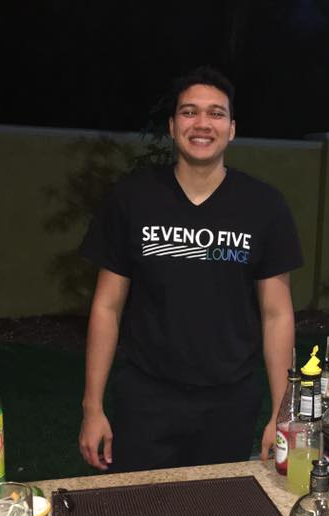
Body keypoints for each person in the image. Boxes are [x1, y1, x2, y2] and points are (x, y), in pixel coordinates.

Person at [78, 66, 302, 473]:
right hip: (146, 396)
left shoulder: (264, 206)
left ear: (232, 129)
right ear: (172, 125)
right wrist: (92, 407)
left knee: (215, 506)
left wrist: (281, 413)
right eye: (189, 112)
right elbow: (107, 307)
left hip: (230, 401)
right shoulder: (132, 198)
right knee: (142, 505)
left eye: (216, 113)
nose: (202, 123)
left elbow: (277, 314)